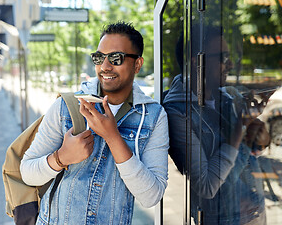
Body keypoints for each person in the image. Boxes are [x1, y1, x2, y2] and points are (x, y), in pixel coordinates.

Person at [20, 21, 169, 225]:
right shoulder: (67, 106)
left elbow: (151, 196)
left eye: (116, 58)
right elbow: (27, 173)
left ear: (137, 64)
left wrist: (112, 137)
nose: (105, 66)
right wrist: (62, 157)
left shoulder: (153, 116)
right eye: (99, 58)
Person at [163, 26, 270, 224]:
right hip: (224, 219)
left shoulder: (229, 96)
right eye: (223, 57)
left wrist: (258, 136)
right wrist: (240, 128)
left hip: (254, 212)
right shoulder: (177, 112)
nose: (229, 64)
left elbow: (251, 155)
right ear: (197, 62)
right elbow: (207, 187)